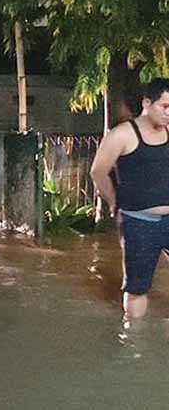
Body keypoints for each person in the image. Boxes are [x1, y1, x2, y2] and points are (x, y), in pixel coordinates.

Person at [91, 78, 169, 319]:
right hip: (138, 221)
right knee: (137, 288)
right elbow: (98, 172)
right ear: (147, 103)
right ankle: (134, 343)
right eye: (165, 106)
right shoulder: (122, 134)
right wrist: (113, 200)